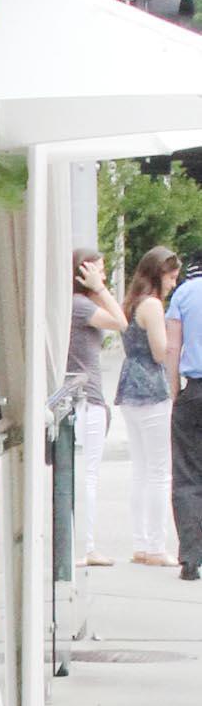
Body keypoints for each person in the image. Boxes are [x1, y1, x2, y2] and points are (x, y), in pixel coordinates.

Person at [116, 246, 181, 566]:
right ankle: (156, 545)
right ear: (159, 274)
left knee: (141, 469)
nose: (173, 282)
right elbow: (159, 351)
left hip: (129, 384)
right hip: (152, 388)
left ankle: (142, 542)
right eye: (170, 276)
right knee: (159, 471)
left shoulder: (130, 303)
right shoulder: (153, 305)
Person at [66, 247, 126, 568]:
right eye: (99, 270)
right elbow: (121, 321)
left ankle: (81, 543)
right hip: (86, 401)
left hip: (86, 400)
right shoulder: (80, 306)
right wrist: (100, 290)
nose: (103, 277)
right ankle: (85, 545)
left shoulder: (76, 305)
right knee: (86, 476)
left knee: (82, 475)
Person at [167, 250, 202, 581]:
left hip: (195, 391)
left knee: (188, 474)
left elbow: (172, 348)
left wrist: (175, 389)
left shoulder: (184, 294)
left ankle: (191, 557)